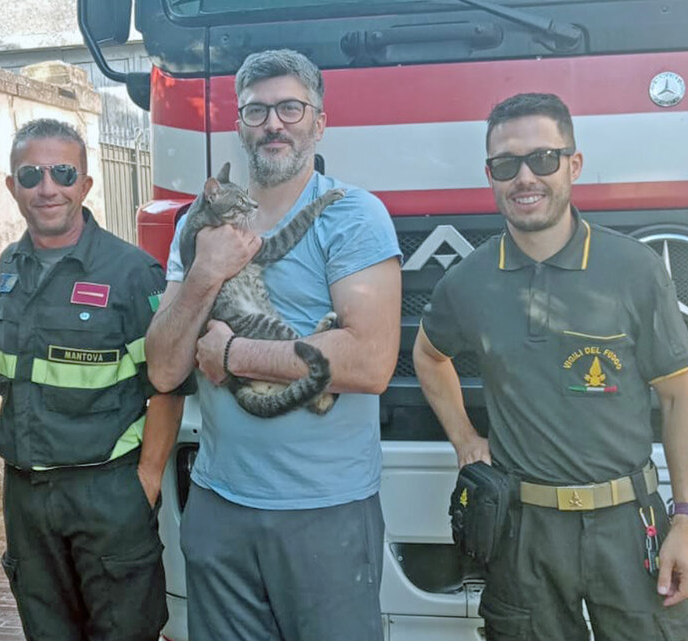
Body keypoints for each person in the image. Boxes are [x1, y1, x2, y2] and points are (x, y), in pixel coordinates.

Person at [413, 92, 688, 640]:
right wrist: (464, 439)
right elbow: (429, 355)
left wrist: (686, 520)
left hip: (629, 526)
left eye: (543, 159)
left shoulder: (634, 269)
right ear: (490, 176)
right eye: (507, 165)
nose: (525, 177)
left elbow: (678, 398)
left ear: (574, 164)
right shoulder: (469, 281)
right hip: (523, 534)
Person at [145, 49, 402, 641]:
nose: (273, 124)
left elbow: (370, 362)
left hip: (326, 510)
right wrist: (206, 271)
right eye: (256, 111)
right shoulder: (198, 226)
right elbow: (162, 369)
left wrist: (234, 356)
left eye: (290, 108)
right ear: (239, 125)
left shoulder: (355, 216)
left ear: (319, 122)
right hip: (220, 505)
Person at [0, 118, 186, 641]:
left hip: (106, 491)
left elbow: (167, 388)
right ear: (12, 186)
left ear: (85, 184)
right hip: (26, 493)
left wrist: (146, 482)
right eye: (30, 175)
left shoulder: (132, 272)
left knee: (124, 629)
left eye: (62, 173)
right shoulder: (10, 266)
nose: (46, 188)